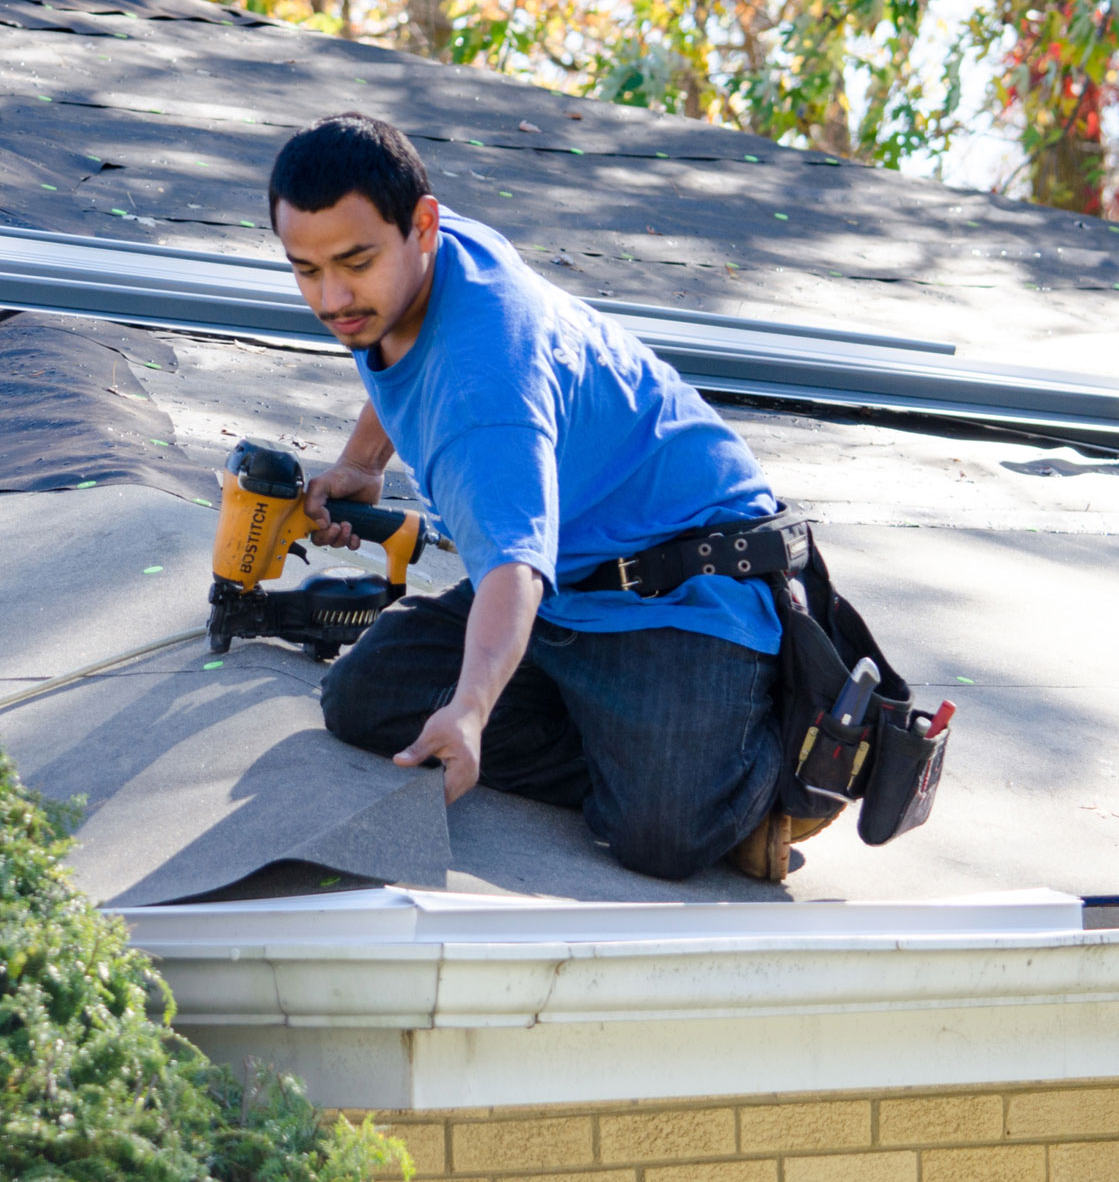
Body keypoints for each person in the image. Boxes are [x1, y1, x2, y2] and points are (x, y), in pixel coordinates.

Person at [268, 112, 800, 882]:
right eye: (306, 269)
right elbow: (394, 359)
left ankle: (750, 770)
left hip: (687, 582)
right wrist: (361, 462)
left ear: (423, 225)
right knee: (363, 697)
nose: (333, 296)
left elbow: (514, 569)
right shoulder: (424, 268)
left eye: (354, 262)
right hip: (572, 580)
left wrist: (474, 710)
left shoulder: (486, 395)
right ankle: (619, 733)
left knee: (661, 833)